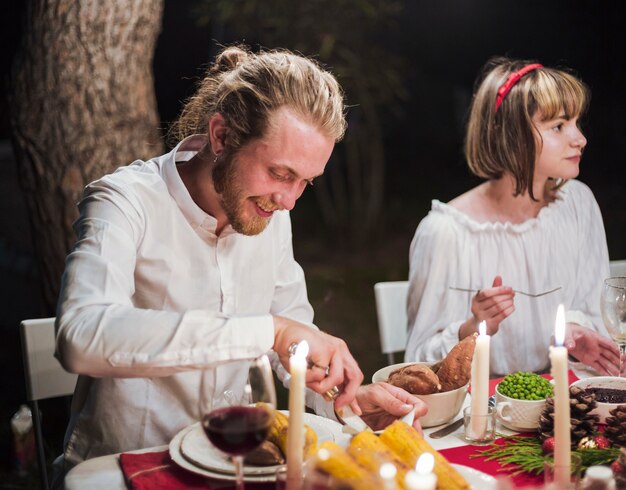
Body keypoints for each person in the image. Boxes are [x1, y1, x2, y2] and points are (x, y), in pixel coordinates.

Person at [53, 46, 426, 479]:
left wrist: (346, 400)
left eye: (306, 181)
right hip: (125, 469)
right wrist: (270, 330)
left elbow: (293, 355)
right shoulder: (123, 201)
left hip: (237, 466)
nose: (289, 200)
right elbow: (80, 337)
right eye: (280, 173)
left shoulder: (271, 213)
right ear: (222, 136)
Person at [405, 57, 619, 377]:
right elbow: (418, 365)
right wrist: (473, 328)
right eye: (559, 126)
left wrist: (574, 332)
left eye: (576, 122)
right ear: (512, 135)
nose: (580, 139)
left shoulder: (577, 205)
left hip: (558, 402)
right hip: (477, 416)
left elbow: (592, 308)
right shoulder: (447, 233)